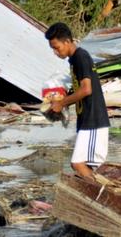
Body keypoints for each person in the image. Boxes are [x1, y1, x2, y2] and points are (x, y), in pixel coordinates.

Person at [45, 23, 110, 180]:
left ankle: (99, 198)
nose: (55, 52)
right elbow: (80, 89)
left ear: (67, 41)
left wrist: (62, 103)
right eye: (52, 49)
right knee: (81, 165)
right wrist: (61, 100)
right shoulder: (74, 59)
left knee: (79, 164)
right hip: (87, 120)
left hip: (94, 120)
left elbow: (87, 89)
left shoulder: (81, 57)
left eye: (57, 47)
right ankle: (98, 196)